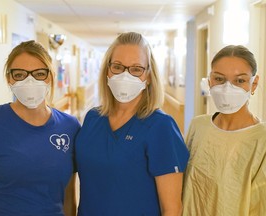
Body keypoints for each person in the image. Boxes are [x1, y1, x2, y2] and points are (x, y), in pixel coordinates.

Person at [75, 32, 189, 216]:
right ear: (107, 70)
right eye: (118, 67)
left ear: (149, 76)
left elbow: (172, 209)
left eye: (136, 69)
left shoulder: (161, 127)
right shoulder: (92, 119)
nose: (125, 75)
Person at [0, 40, 80, 216]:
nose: (30, 81)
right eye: (20, 74)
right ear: (9, 78)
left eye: (39, 73)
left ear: (50, 76)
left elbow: (69, 194)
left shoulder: (70, 127)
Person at [182, 45, 266, 215]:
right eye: (219, 79)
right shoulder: (198, 126)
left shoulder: (261, 140)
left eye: (239, 80)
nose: (228, 88)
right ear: (209, 81)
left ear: (254, 84)